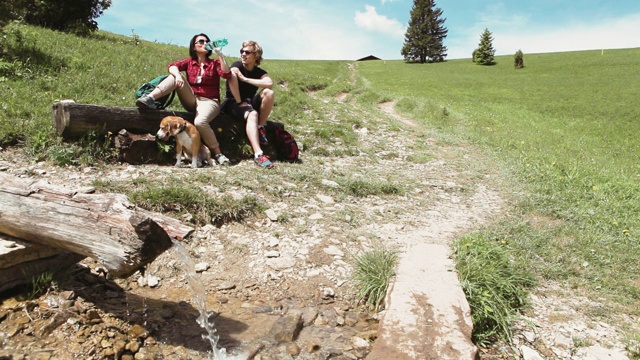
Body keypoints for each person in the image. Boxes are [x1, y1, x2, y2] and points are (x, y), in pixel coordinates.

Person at [136, 33, 231, 166]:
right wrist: (178, 76)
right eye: (201, 41)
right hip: (192, 99)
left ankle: (218, 153)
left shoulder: (214, 63)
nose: (205, 43)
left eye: (207, 41)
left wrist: (219, 54)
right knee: (175, 76)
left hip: (209, 101)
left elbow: (226, 74)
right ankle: (149, 98)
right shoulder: (189, 62)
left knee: (200, 121)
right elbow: (172, 66)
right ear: (194, 46)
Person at [224, 40, 275, 169]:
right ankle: (259, 155)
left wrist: (245, 79)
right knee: (252, 114)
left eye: (247, 52)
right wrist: (239, 102)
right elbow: (232, 74)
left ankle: (260, 126)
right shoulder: (237, 65)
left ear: (256, 55)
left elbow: (269, 83)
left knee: (268, 92)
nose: (243, 54)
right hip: (232, 103)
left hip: (249, 101)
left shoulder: (259, 72)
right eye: (242, 51)